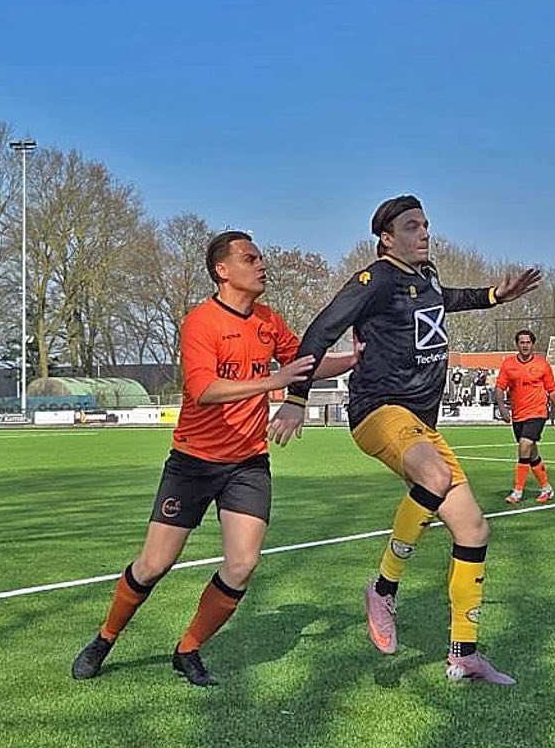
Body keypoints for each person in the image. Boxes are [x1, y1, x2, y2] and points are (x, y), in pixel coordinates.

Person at [72, 231, 354, 686]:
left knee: (242, 565)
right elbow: (205, 391)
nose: (261, 264)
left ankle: (188, 649)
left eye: (261, 257)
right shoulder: (200, 323)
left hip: (247, 464)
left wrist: (350, 359)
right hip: (193, 463)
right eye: (250, 258)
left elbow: (304, 362)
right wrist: (272, 382)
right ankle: (105, 638)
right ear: (222, 270)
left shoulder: (267, 320)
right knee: (153, 566)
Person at [288, 194, 541, 685]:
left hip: (422, 425)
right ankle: (383, 589)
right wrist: (297, 397)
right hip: (378, 411)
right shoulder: (374, 280)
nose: (424, 233)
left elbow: (448, 301)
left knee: (473, 530)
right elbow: (321, 330)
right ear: (387, 238)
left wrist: (496, 295)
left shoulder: (426, 277)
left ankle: (463, 654)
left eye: (425, 225)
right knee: (434, 473)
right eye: (412, 227)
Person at [493, 329, 555, 503]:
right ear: (517, 344)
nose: (525, 345)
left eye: (528, 342)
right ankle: (546, 488)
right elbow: (500, 388)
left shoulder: (542, 364)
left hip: (537, 412)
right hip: (518, 415)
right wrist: (502, 407)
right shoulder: (508, 365)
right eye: (522, 342)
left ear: (533, 344)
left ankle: (517, 491)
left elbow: (552, 390)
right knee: (531, 454)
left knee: (525, 445)